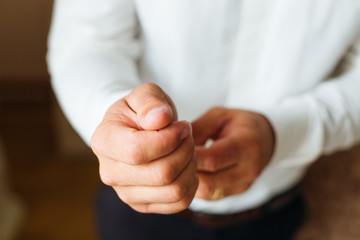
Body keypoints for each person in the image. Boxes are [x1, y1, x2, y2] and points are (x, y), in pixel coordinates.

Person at [47, 1, 360, 239]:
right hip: (137, 214)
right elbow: (88, 38)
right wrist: (114, 121)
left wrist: (284, 131)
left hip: (279, 212)